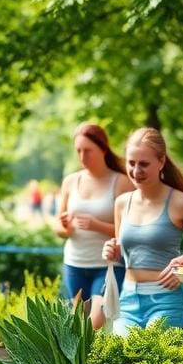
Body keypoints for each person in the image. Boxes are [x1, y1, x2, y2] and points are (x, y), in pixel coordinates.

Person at [102, 127, 183, 333]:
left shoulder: (180, 203)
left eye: (144, 164)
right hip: (128, 299)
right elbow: (125, 253)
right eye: (131, 163)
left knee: (152, 363)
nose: (136, 171)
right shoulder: (122, 203)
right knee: (122, 363)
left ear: (161, 161)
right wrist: (113, 252)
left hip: (167, 300)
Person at [54, 123, 133, 329]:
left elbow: (129, 231)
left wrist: (96, 225)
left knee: (94, 324)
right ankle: (85, 363)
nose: (82, 156)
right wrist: (66, 228)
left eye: (88, 150)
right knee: (78, 326)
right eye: (78, 151)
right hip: (75, 263)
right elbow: (58, 228)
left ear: (103, 149)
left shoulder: (121, 182)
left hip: (107, 265)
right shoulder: (71, 181)